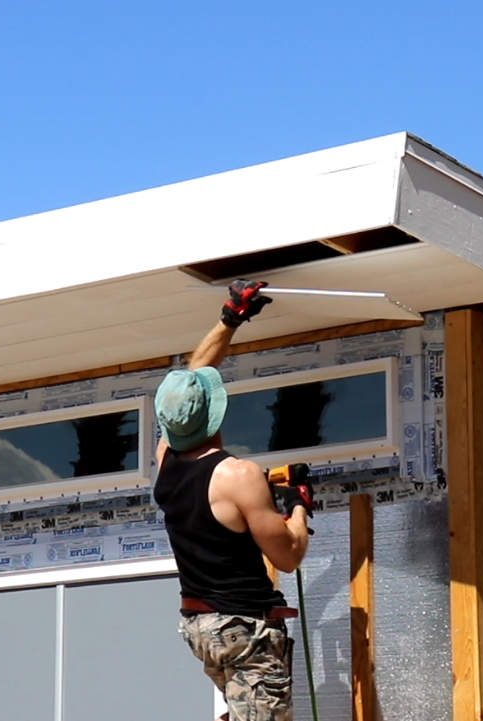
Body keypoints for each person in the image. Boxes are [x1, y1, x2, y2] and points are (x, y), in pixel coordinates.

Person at [153, 279, 314, 721]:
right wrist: (299, 505)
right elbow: (287, 556)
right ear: (216, 415)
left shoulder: (165, 458)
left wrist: (230, 318)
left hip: (201, 627)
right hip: (244, 628)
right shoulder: (238, 475)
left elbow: (189, 380)